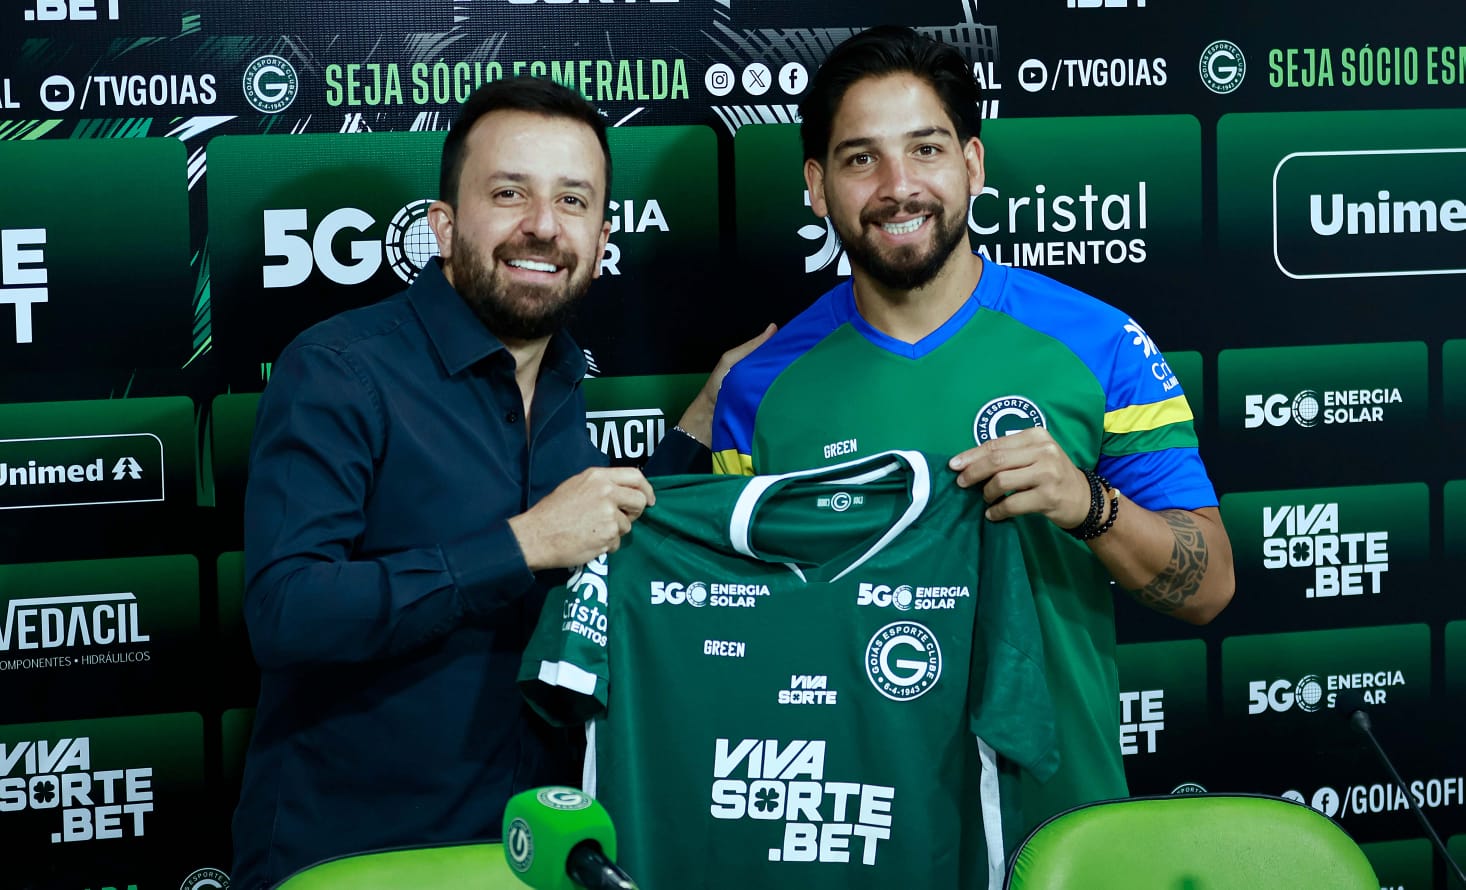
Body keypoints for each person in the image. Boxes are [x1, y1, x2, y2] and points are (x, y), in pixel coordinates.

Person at [231, 76, 770, 888]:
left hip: (533, 852)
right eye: (510, 193)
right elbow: (286, 611)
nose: (543, 226)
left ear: (602, 237)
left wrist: (702, 420)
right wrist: (521, 545)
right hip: (359, 861)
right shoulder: (340, 370)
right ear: (444, 225)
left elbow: (593, 545)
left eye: (573, 201)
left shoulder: (562, 382)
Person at [711, 25, 1235, 842]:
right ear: (817, 186)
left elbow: (1209, 589)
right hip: (855, 831)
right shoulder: (758, 390)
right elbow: (736, 631)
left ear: (973, 164)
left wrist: (1088, 504)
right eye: (860, 159)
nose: (898, 187)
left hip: (1058, 826)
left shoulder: (1098, 343)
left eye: (926, 150)